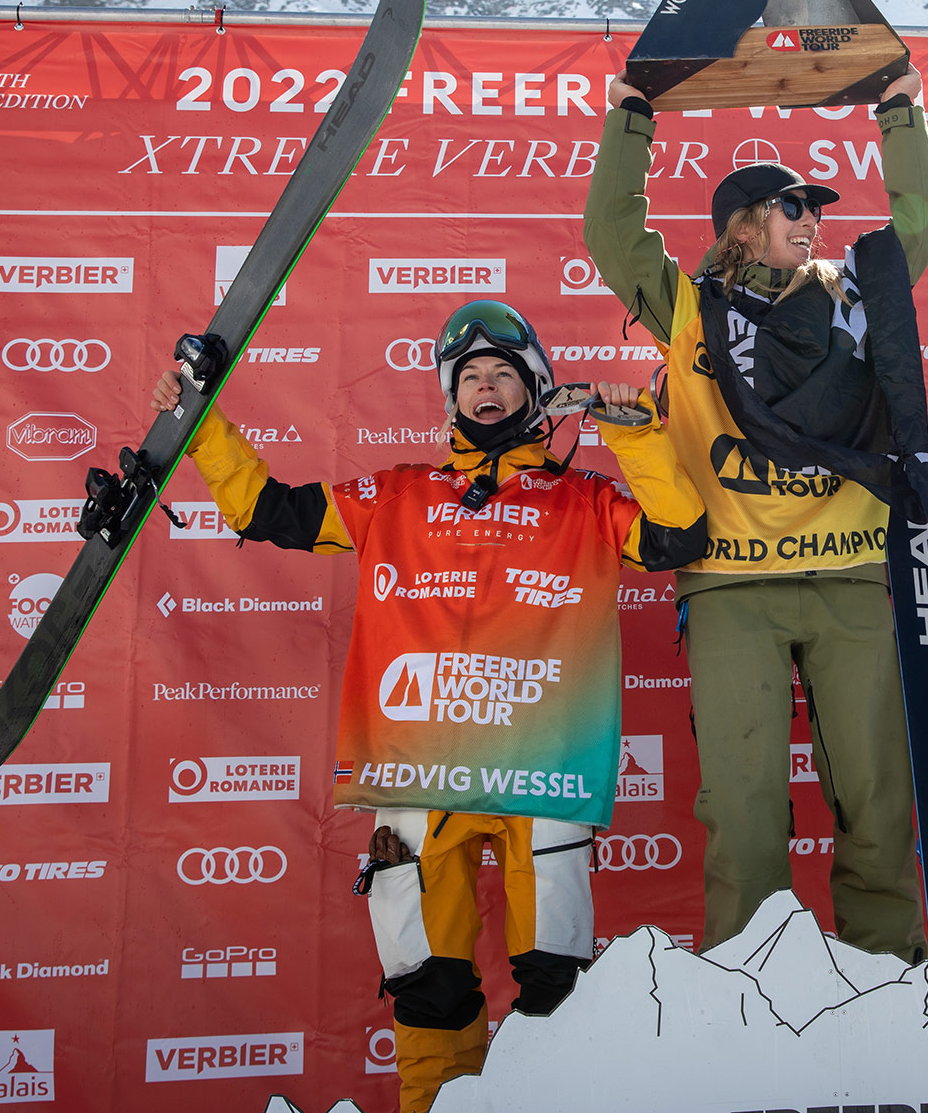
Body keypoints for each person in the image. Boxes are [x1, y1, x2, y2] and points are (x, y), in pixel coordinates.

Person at [150, 301, 705, 1113]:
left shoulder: (585, 499)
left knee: (558, 992)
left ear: (536, 388)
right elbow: (268, 511)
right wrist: (201, 423)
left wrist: (640, 436)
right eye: (469, 376)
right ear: (450, 396)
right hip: (419, 777)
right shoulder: (399, 493)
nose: (485, 388)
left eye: (502, 375)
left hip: (542, 779)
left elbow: (679, 537)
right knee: (429, 991)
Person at [582, 68, 928, 960]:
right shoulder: (688, 305)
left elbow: (921, 226)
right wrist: (632, 121)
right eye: (792, 208)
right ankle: (751, 997)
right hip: (732, 587)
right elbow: (612, 235)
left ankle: (892, 985)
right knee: (744, 807)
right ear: (742, 228)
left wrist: (899, 111)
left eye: (815, 209)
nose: (812, 220)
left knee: (877, 800)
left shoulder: (858, 296)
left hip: (854, 575)